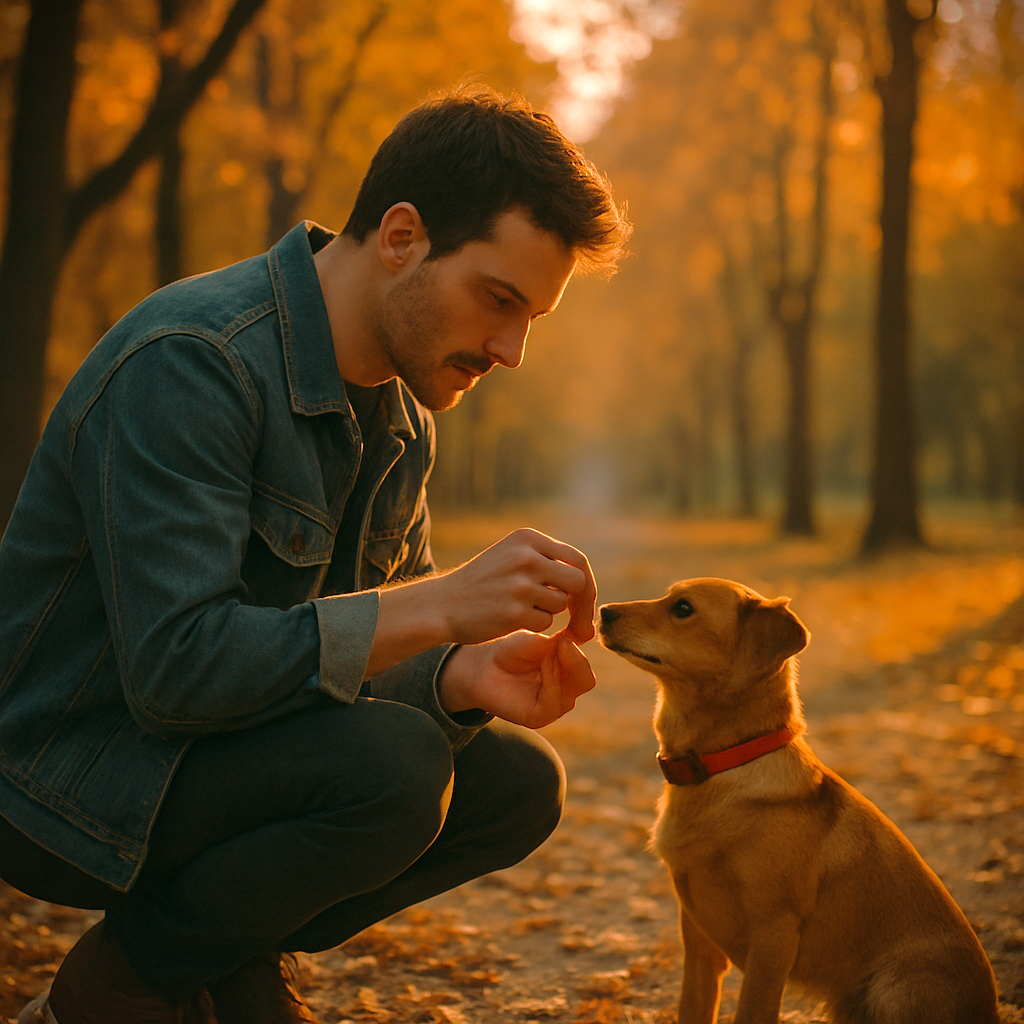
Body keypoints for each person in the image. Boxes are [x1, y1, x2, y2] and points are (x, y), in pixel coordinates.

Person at [0, 85, 630, 1024]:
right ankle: (121, 984)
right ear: (404, 237)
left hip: (217, 751)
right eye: (499, 301)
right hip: (66, 776)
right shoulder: (195, 359)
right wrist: (440, 606)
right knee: (395, 770)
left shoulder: (404, 421)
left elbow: (344, 666)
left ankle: (222, 957)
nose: (511, 350)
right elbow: (177, 674)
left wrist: (459, 676)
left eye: (530, 318)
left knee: (513, 789)